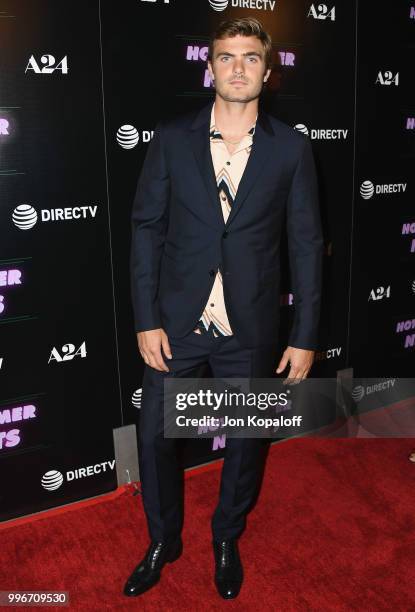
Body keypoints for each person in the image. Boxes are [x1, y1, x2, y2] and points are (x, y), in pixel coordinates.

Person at [124, 17, 323, 600]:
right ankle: (163, 539)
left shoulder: (291, 149)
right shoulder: (171, 138)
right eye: (226, 57)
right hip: (176, 326)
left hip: (251, 326)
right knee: (156, 436)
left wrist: (304, 333)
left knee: (243, 443)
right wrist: (145, 318)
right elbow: (145, 232)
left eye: (251, 58)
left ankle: (226, 536)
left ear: (268, 70)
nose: (238, 67)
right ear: (208, 66)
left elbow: (307, 246)